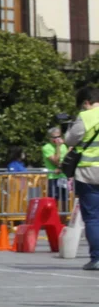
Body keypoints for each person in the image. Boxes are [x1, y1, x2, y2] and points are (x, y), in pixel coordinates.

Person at [64, 86, 99, 270]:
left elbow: (70, 140)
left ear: (86, 102)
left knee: (92, 218)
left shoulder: (86, 117)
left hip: (88, 173)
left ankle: (97, 258)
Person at [43, 127, 68, 202]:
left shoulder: (64, 146)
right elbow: (55, 161)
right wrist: (58, 146)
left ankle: (64, 210)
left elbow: (66, 160)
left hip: (63, 177)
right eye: (55, 137)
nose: (57, 139)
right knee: (53, 200)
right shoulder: (46, 147)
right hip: (53, 177)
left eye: (59, 137)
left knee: (64, 200)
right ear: (50, 138)